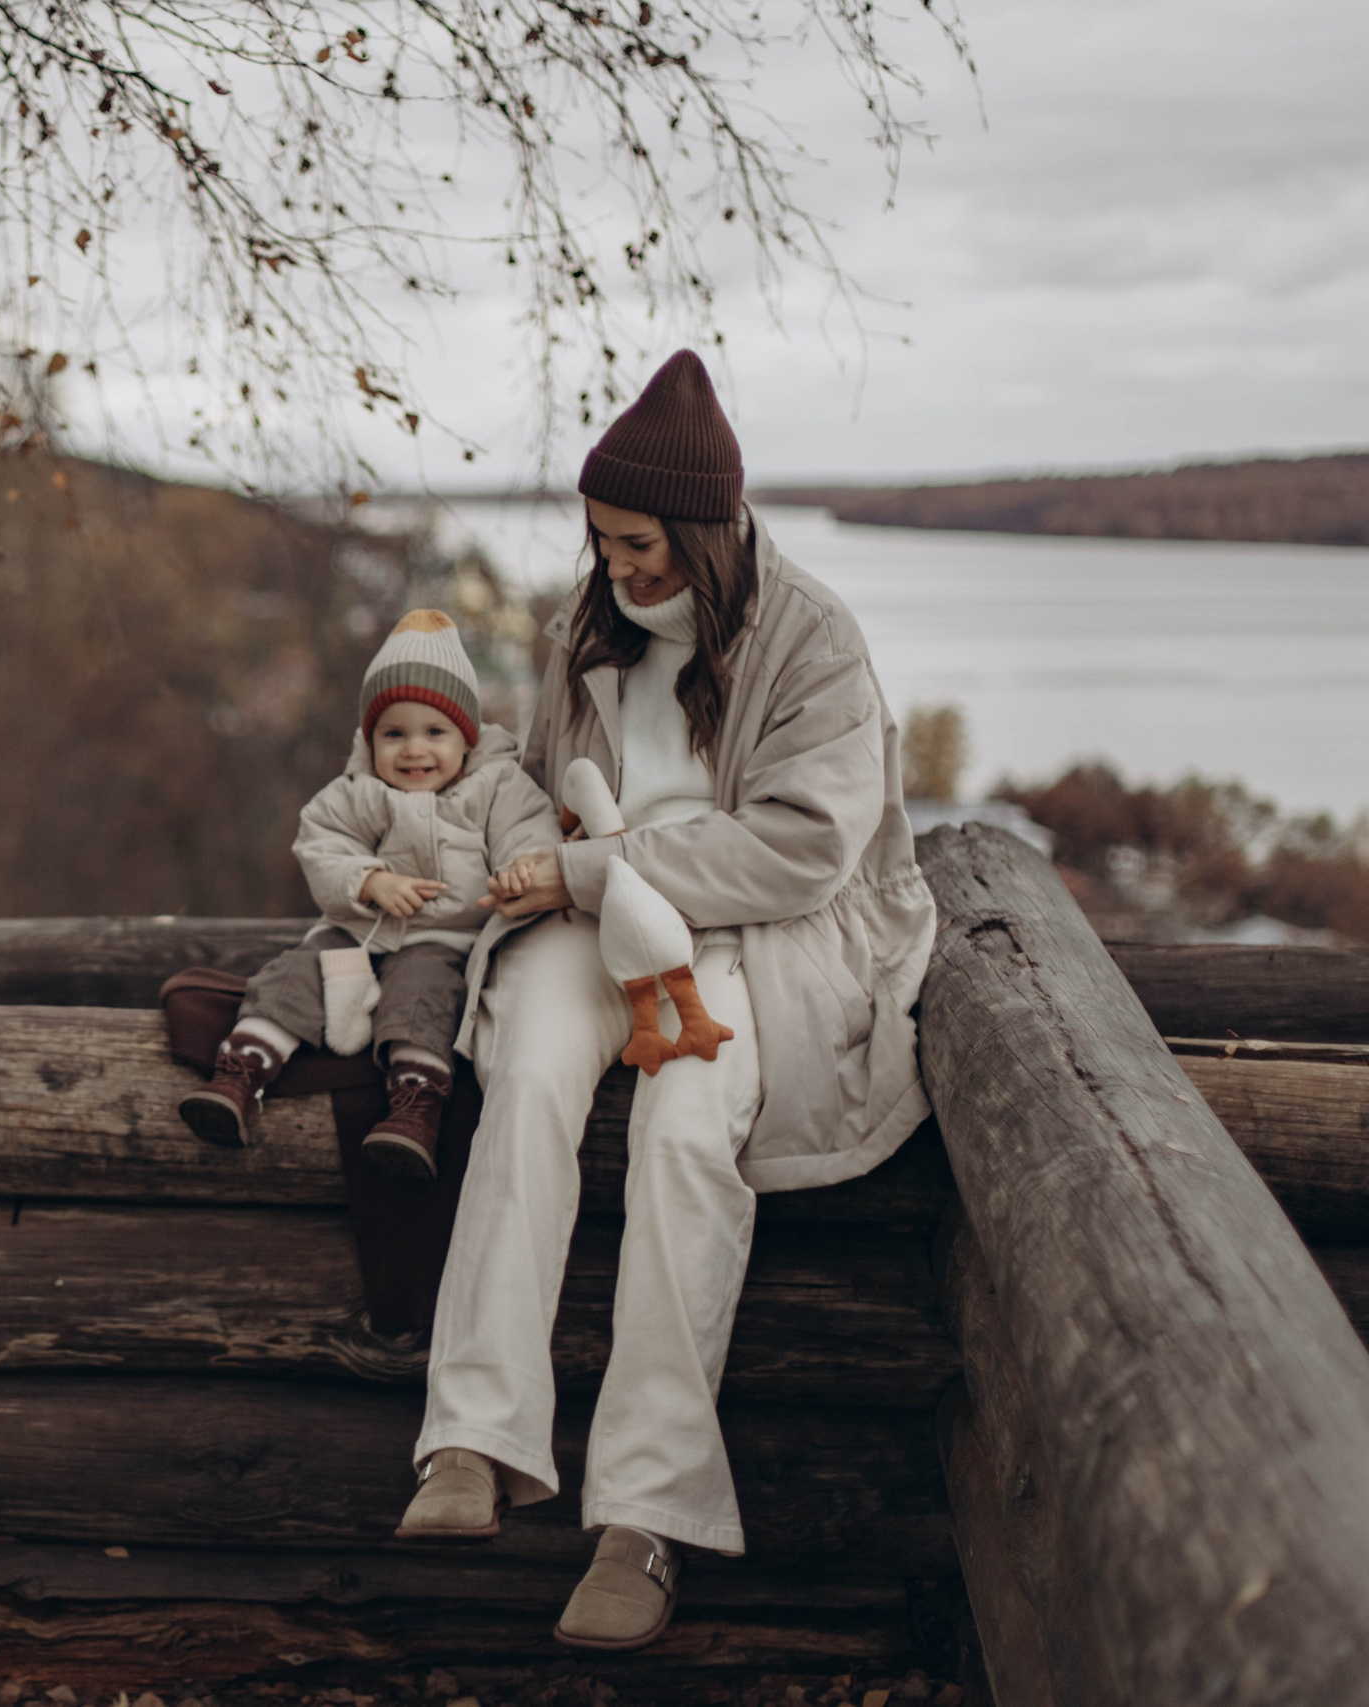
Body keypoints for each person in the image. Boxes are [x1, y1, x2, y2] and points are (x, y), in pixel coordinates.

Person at [391, 351, 937, 1653]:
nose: (616, 566)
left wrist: (591, 866)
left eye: (636, 543)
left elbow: (802, 845)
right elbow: (541, 771)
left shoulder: (815, 638)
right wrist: (504, 855)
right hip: (597, 912)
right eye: (599, 539)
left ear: (703, 527)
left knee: (686, 1129)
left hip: (760, 933)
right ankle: (472, 1436)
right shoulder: (591, 624)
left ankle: (643, 1515)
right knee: (523, 1067)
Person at [179, 610, 558, 1178]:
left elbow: (529, 833)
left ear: (467, 736)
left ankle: (414, 1106)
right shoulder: (356, 791)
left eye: (434, 732)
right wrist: (368, 880)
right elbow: (320, 846)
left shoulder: (497, 786)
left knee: (424, 992)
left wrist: (519, 870)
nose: (413, 751)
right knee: (293, 972)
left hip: (443, 939)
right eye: (394, 734)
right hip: (354, 930)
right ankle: (241, 1073)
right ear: (370, 738)